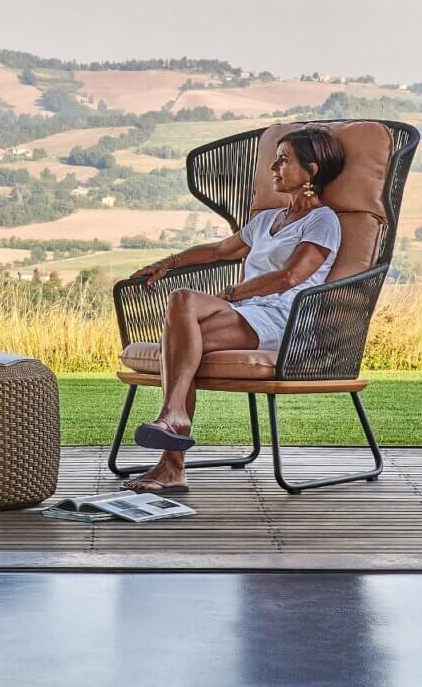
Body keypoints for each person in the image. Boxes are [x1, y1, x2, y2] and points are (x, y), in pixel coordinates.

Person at [121, 124, 345, 494]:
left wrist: (232, 293)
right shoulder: (267, 220)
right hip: (250, 312)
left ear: (312, 170)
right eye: (274, 160)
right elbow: (219, 251)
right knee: (180, 309)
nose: (273, 168)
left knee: (178, 343)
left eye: (284, 161)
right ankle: (172, 426)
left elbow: (290, 277)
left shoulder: (324, 220)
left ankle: (171, 458)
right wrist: (168, 262)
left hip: (283, 319)